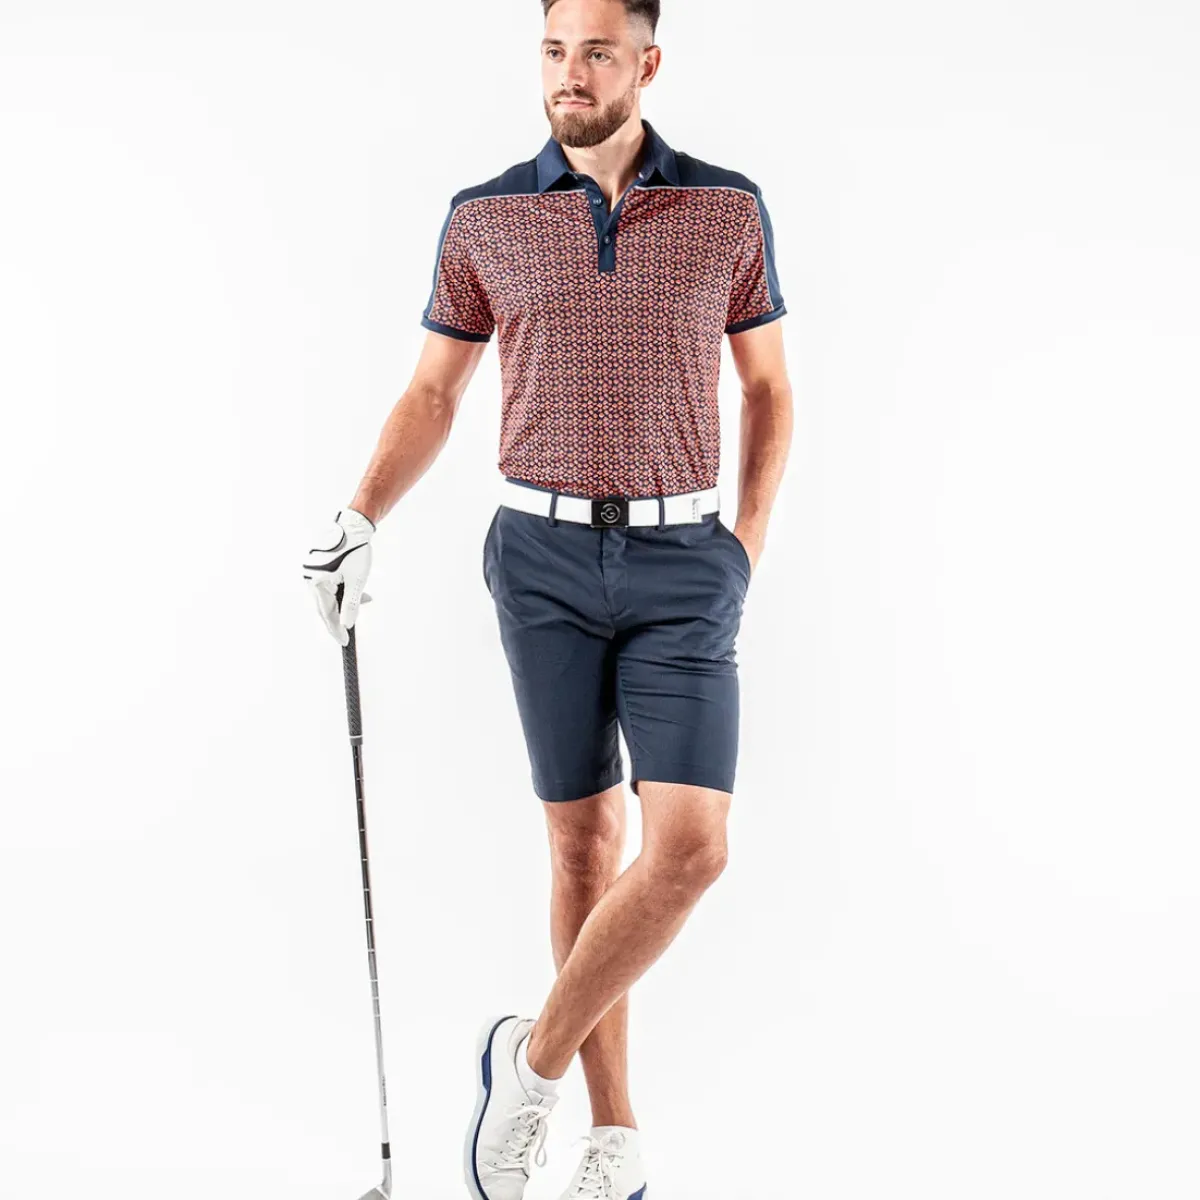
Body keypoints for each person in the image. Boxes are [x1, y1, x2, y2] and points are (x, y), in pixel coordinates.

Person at [302, 0, 793, 1195]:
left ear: (647, 63)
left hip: (685, 562)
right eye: (555, 50)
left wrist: (742, 548)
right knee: (581, 845)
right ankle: (612, 1139)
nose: (571, 75)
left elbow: (770, 390)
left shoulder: (726, 209)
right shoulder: (485, 217)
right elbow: (433, 394)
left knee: (691, 851)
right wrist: (361, 516)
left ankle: (526, 1069)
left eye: (598, 54)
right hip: (540, 557)